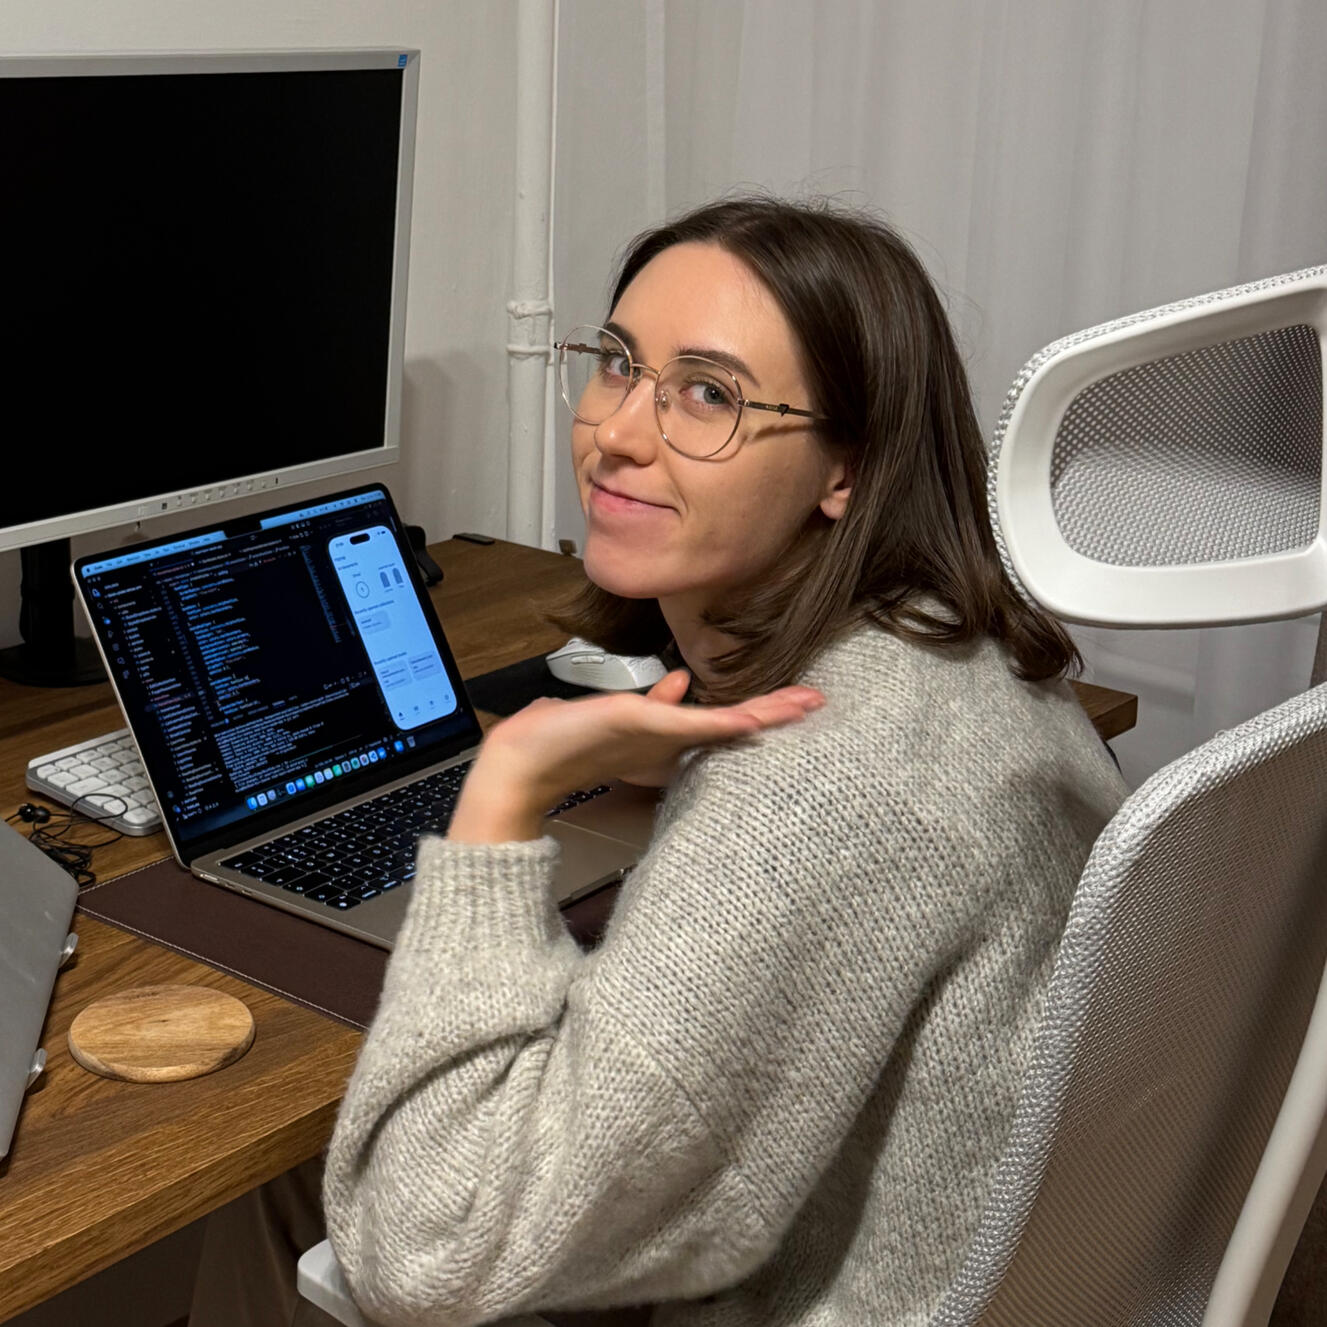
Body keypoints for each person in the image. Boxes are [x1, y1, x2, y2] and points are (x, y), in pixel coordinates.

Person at [238, 195, 1127, 1327]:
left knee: (321, 1192)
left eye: (708, 394)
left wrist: (503, 792)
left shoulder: (813, 786)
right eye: (616, 363)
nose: (617, 430)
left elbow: (435, 1247)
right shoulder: (960, 646)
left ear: (843, 470)